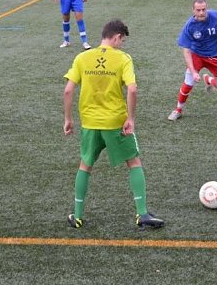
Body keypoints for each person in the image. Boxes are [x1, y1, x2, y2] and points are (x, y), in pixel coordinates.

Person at [63, 19, 164, 230]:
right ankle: (142, 213)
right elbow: (133, 89)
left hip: (90, 123)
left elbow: (68, 90)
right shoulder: (123, 59)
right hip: (115, 122)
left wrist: (68, 119)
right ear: (117, 37)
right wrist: (131, 119)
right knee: (133, 162)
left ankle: (78, 216)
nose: (122, 44)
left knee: (85, 165)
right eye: (122, 40)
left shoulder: (82, 57)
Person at [167, 0, 217, 121]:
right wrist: (194, 72)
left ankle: (208, 79)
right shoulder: (189, 26)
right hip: (197, 54)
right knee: (188, 82)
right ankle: (178, 110)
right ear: (193, 10)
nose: (201, 13)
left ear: (207, 8)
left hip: (216, 56)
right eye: (198, 10)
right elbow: (186, 51)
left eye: (203, 9)